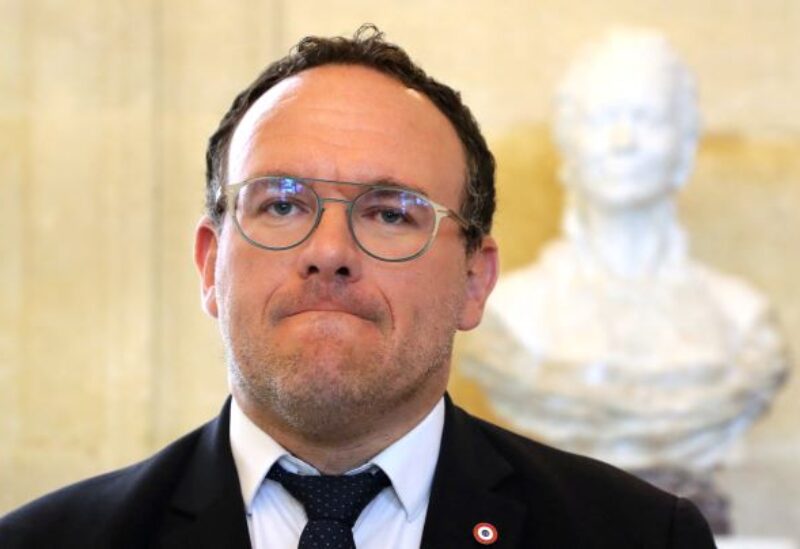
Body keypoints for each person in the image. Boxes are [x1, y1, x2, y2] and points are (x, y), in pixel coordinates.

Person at [0, 25, 715, 548]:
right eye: (282, 203)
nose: (330, 251)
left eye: (390, 212)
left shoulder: (639, 538)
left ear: (474, 279)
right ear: (209, 264)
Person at [461, 28, 789, 534]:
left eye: (647, 118)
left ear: (684, 141)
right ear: (569, 140)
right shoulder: (513, 315)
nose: (623, 143)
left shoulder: (742, 322)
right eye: (602, 119)